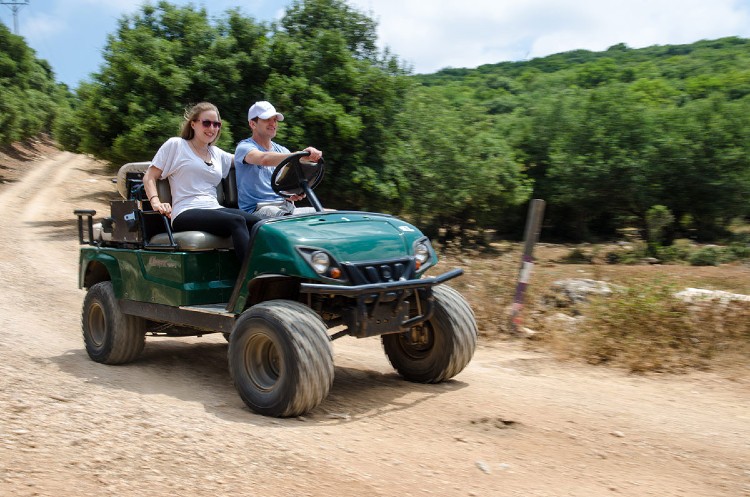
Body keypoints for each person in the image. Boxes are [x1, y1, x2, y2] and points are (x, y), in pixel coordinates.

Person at [143, 102, 261, 262]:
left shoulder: (217, 154)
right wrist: (156, 202)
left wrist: (291, 158)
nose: (212, 128)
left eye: (216, 124)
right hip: (185, 211)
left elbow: (249, 159)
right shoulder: (176, 145)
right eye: (206, 123)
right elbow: (150, 176)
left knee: (260, 223)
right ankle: (250, 280)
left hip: (214, 209)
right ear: (193, 124)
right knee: (237, 221)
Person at [235, 101, 323, 217]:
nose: (273, 123)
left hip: (286, 207)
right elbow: (264, 159)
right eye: (267, 119)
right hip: (258, 210)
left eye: (275, 120)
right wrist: (299, 155)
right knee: (286, 220)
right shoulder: (244, 148)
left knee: (330, 216)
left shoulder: (283, 151)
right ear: (253, 124)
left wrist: (294, 192)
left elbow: (285, 186)